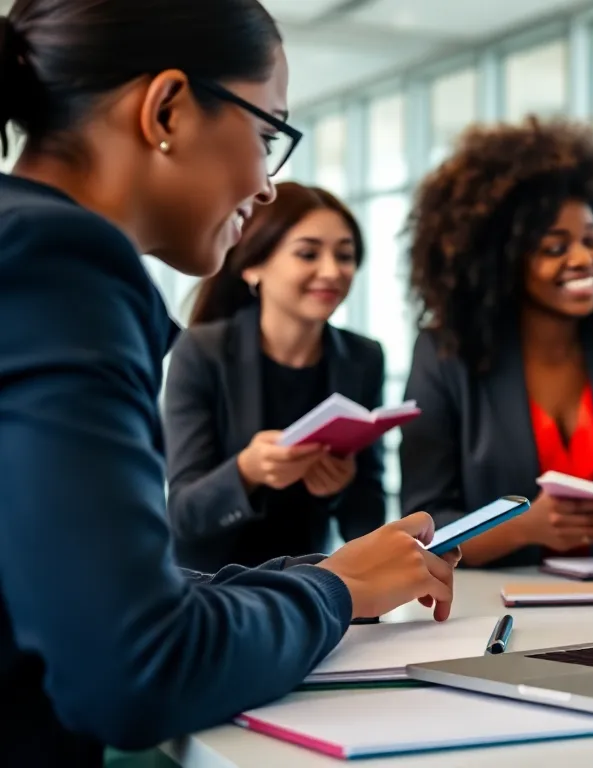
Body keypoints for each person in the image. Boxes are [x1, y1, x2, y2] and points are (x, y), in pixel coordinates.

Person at [0, 1, 459, 763]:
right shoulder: (60, 268)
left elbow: (75, 584)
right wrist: (338, 595)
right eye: (267, 132)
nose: (270, 185)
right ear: (168, 110)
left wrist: (329, 572)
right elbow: (140, 668)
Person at [400, 116, 593, 568]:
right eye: (555, 247)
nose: (583, 259)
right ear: (504, 261)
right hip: (487, 608)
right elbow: (421, 524)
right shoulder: (446, 354)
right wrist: (524, 528)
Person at [163, 182, 386, 572]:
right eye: (308, 253)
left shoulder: (362, 358)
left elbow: (368, 518)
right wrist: (246, 471)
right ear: (253, 266)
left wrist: (342, 488)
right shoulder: (201, 351)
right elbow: (182, 514)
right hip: (210, 589)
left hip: (310, 584)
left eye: (345, 255)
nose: (332, 271)